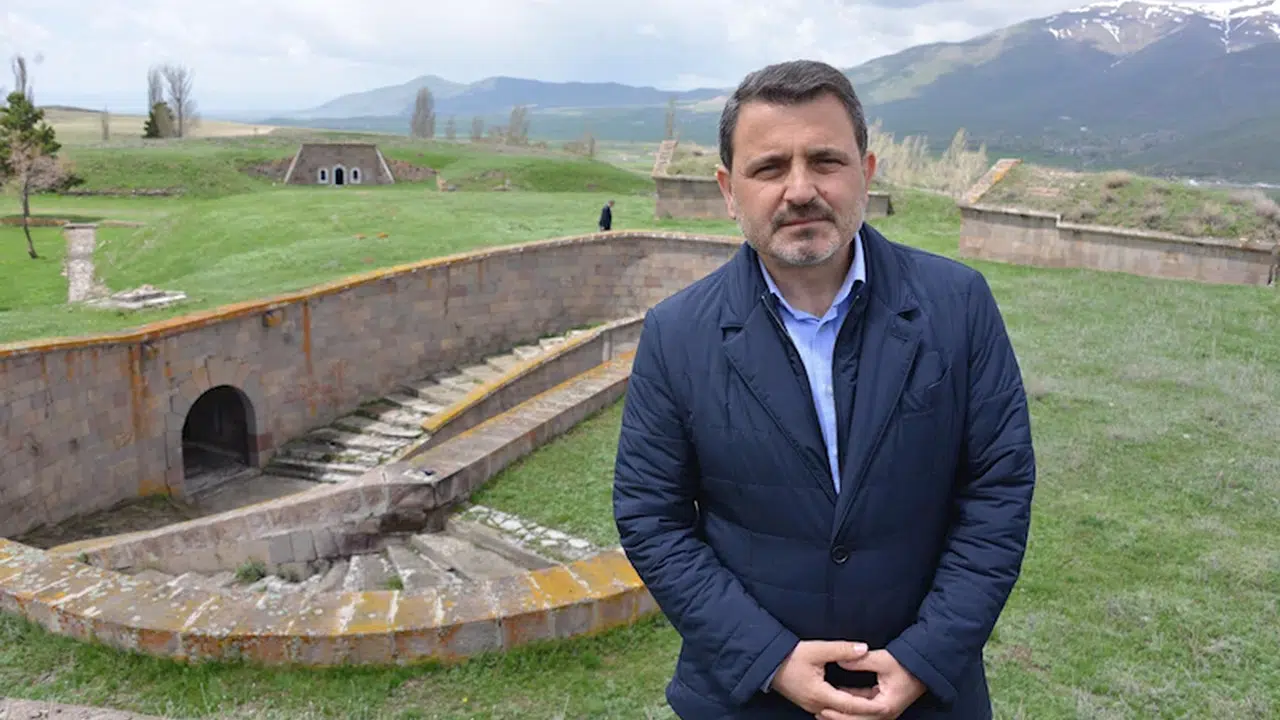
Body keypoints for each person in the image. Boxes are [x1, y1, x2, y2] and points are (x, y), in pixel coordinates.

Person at [612, 59, 1036, 719]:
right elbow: (651, 518)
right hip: (749, 699)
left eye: (825, 161)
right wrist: (770, 659)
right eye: (769, 167)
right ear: (729, 190)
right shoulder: (677, 333)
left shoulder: (958, 305)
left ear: (865, 172)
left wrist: (924, 658)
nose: (801, 189)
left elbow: (997, 492)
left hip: (926, 700)